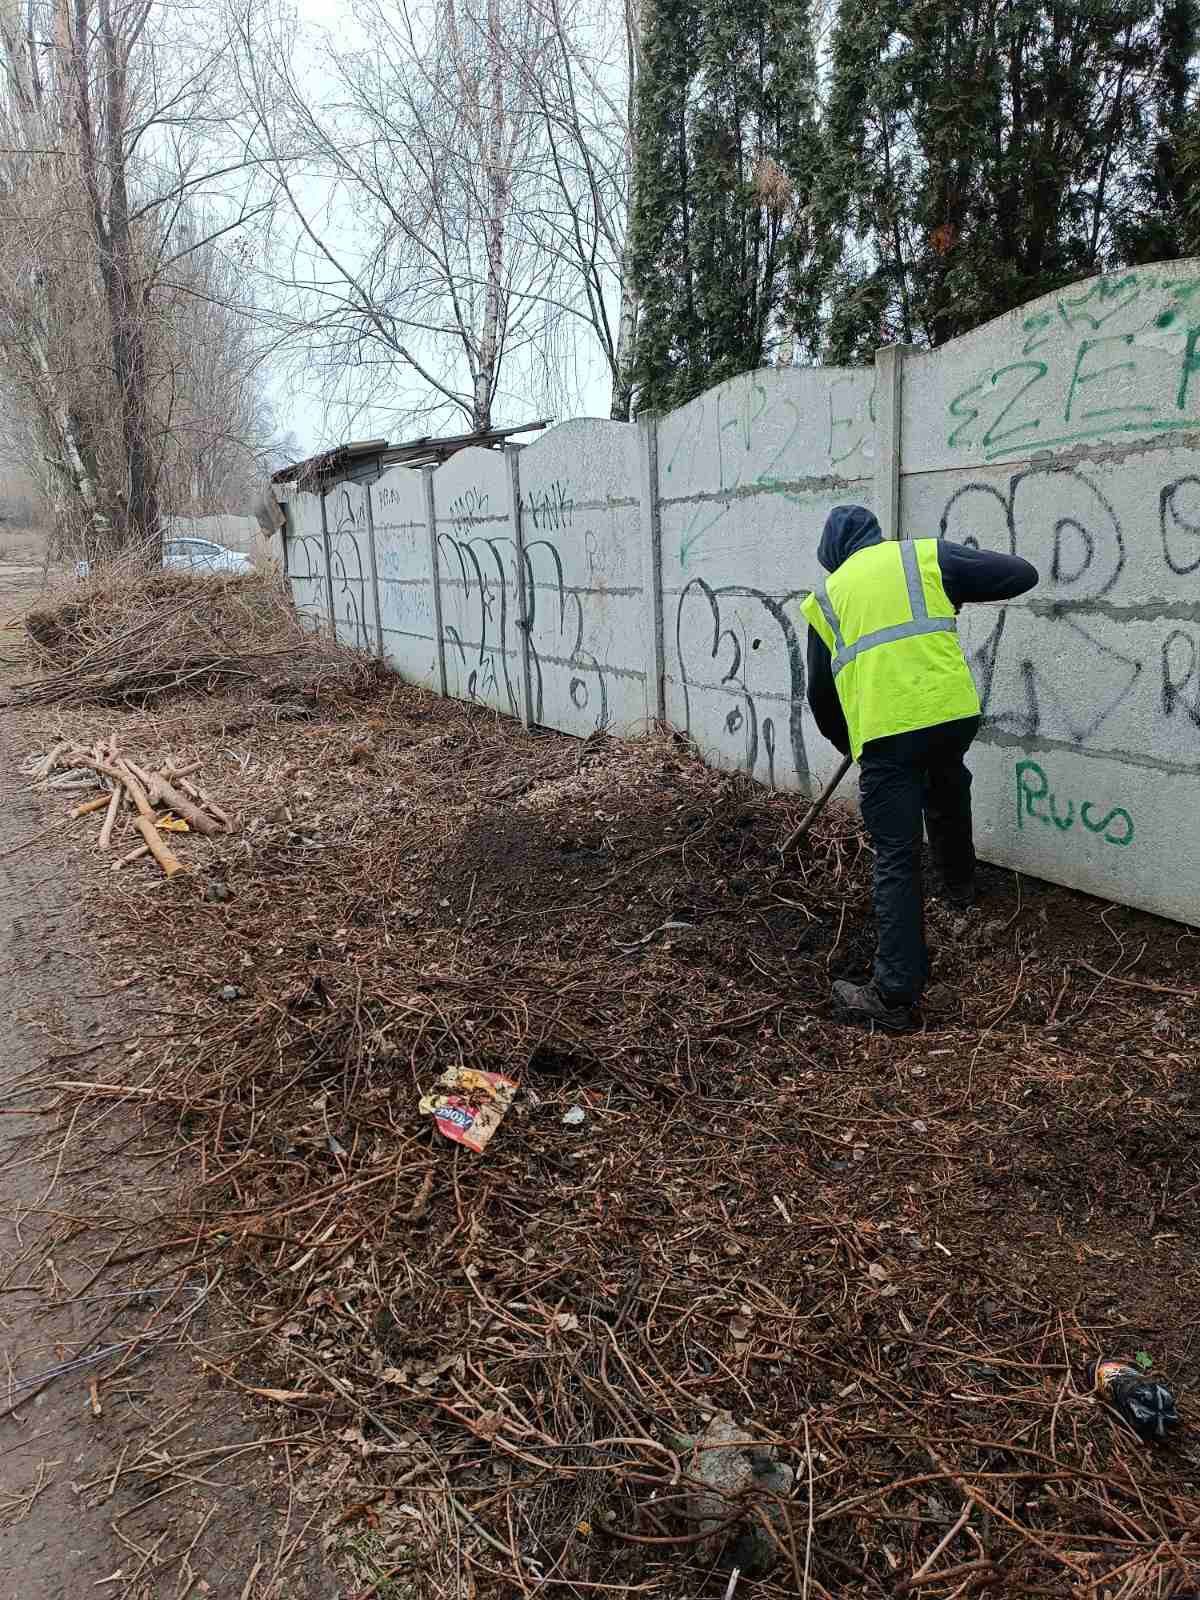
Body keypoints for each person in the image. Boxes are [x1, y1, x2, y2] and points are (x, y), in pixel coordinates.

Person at [799, 506, 1038, 1029]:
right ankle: (959, 889)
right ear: (875, 536)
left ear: (832, 555)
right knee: (947, 783)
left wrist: (854, 742)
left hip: (888, 734)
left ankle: (894, 994)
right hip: (951, 714)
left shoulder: (826, 596)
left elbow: (820, 695)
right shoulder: (922, 557)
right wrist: (954, 588)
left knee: (896, 855)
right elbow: (1022, 574)